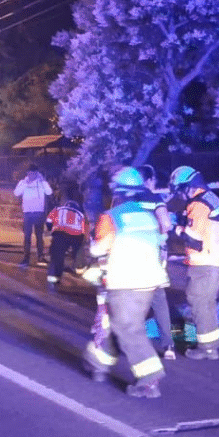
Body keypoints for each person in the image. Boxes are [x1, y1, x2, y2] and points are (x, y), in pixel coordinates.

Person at [82, 167, 169, 398]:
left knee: (126, 328)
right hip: (149, 282)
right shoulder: (148, 216)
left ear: (116, 191)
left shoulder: (112, 217)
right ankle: (97, 363)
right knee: (120, 323)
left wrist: (93, 250)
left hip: (125, 281)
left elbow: (98, 249)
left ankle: (150, 378)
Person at [170, 165, 219, 360]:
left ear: (188, 186)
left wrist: (176, 228)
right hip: (215, 259)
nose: (181, 196)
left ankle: (207, 349)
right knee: (206, 302)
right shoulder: (210, 198)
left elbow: (194, 239)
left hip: (205, 261)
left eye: (181, 190)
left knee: (198, 302)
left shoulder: (199, 204)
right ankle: (212, 343)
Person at [137, 165, 176, 360]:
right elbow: (166, 224)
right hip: (151, 255)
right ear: (150, 180)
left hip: (129, 254)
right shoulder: (155, 199)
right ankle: (168, 345)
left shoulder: (124, 200)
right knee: (159, 299)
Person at [44, 193, 87, 291]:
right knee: (78, 251)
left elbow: (49, 221)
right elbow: (83, 229)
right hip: (76, 235)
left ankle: (53, 280)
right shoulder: (80, 214)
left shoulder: (58, 210)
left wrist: (51, 229)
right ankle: (78, 266)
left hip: (60, 233)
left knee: (57, 257)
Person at [13, 164, 53, 265]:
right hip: (27, 213)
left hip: (39, 213)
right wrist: (25, 183)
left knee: (39, 236)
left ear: (37, 173)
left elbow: (49, 192)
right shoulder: (23, 182)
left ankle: (40, 257)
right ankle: (26, 258)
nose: (32, 175)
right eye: (30, 173)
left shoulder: (41, 183)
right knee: (27, 237)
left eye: (34, 173)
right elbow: (16, 193)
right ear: (28, 173)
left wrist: (43, 181)